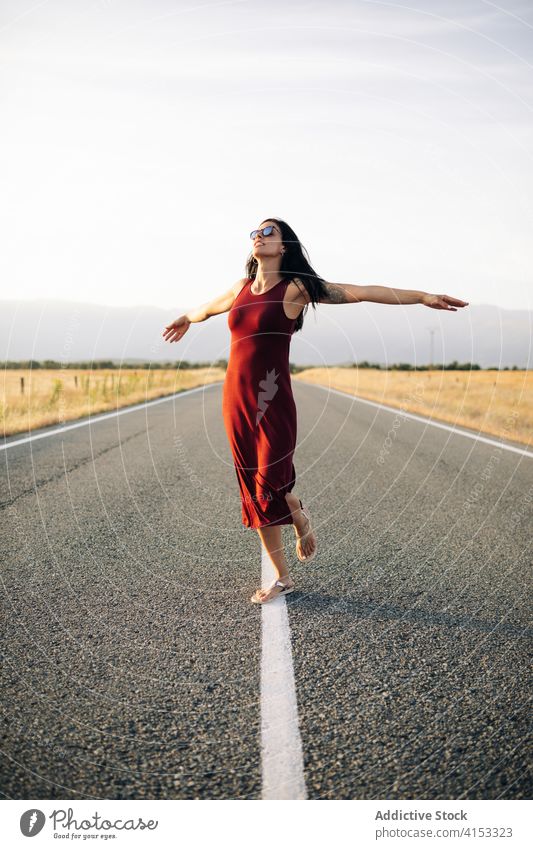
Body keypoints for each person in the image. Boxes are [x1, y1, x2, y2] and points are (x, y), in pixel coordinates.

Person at [162, 218, 468, 604]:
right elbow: (206, 309)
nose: (258, 236)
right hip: (235, 400)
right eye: (254, 232)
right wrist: (186, 318)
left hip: (272, 400)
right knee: (252, 491)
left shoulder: (296, 289)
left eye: (268, 232)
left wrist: (422, 296)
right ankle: (282, 576)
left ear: (284, 245)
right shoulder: (240, 289)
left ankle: (295, 509)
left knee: (269, 483)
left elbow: (360, 292)